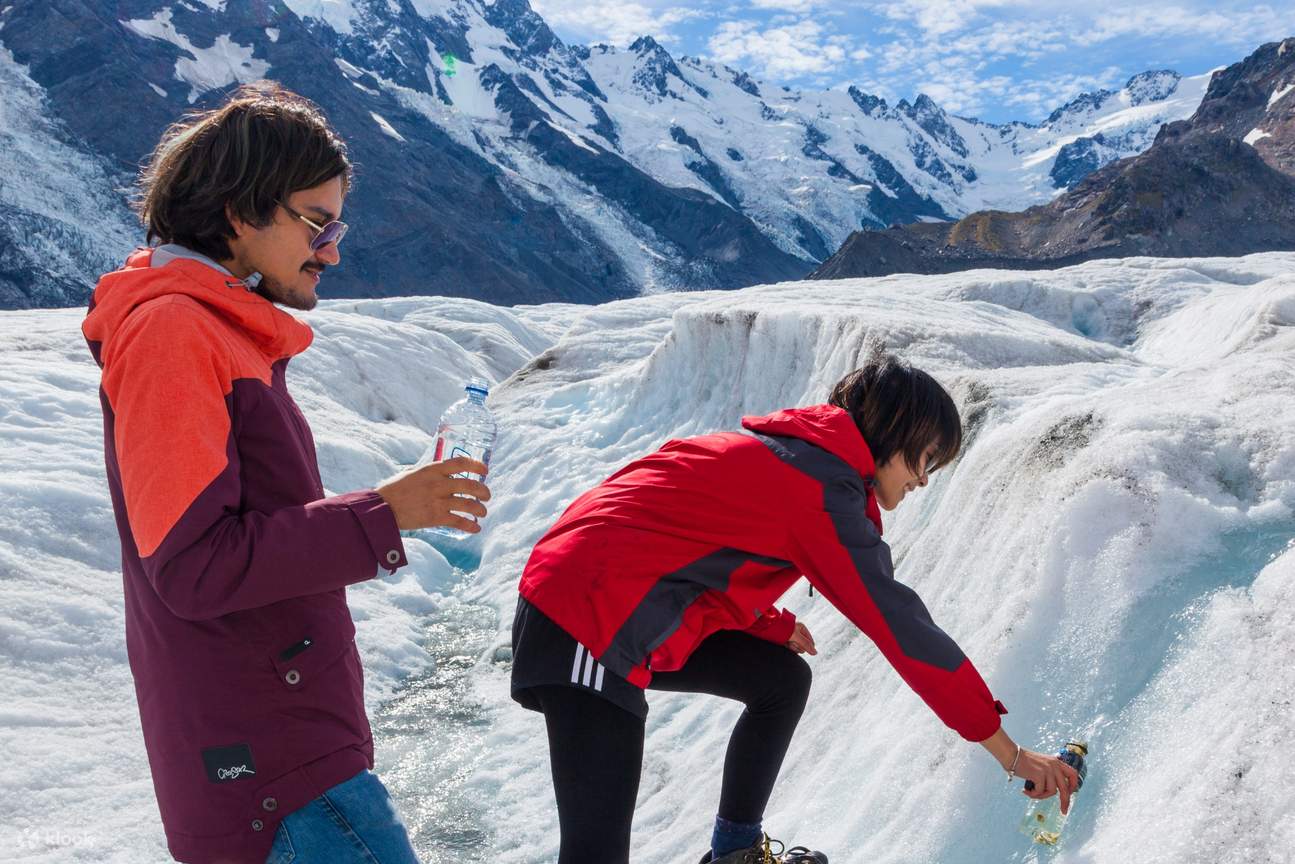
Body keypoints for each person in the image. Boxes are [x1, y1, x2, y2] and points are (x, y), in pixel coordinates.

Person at [82, 83, 490, 864]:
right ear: (240, 212)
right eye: (317, 221)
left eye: (338, 224)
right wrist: (382, 515)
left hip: (285, 752)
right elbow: (194, 567)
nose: (333, 247)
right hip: (276, 771)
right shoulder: (173, 330)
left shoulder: (216, 329)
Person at [510, 355, 1080, 863]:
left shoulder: (800, 461)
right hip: (587, 619)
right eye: (924, 458)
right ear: (893, 431)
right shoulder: (817, 489)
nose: (924, 480)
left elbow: (685, 545)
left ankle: (736, 852)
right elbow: (902, 628)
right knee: (596, 854)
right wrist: (1008, 754)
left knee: (778, 679)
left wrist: (767, 623)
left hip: (607, 600)